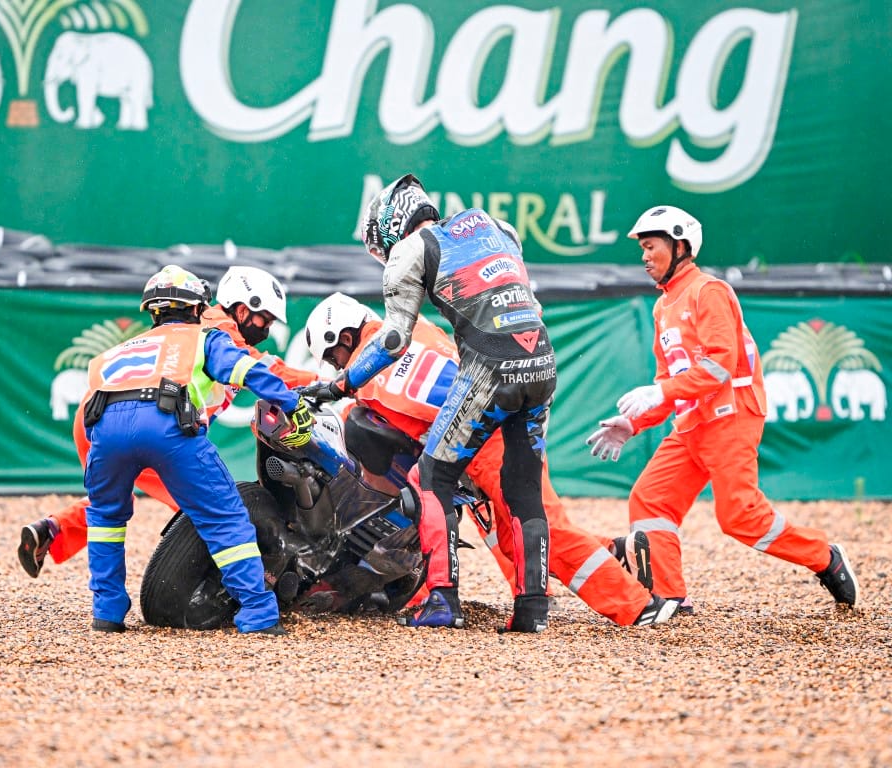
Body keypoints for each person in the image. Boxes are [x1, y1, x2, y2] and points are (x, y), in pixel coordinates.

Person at [305, 293, 678, 627]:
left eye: (333, 355)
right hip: (504, 420)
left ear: (346, 338)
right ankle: (615, 553)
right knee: (513, 536)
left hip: (481, 442)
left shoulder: (368, 382)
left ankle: (636, 606)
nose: (339, 366)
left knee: (542, 532)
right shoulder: (414, 326)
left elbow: (403, 429)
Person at [304, 174, 557, 632]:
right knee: (523, 489)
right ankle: (532, 610)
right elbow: (529, 305)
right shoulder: (497, 227)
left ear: (391, 224)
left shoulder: (411, 249)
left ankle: (443, 600)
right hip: (541, 361)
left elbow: (395, 339)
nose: (382, 253)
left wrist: (343, 384)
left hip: (489, 365)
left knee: (431, 476)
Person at [585, 205, 858, 612]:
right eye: (642, 248)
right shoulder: (663, 307)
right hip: (693, 423)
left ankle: (825, 556)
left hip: (732, 418)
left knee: (740, 518)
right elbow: (668, 383)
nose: (643, 256)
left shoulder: (708, 291)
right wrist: (633, 422)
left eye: (650, 246)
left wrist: (661, 394)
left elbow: (719, 365)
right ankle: (670, 595)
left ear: (680, 246)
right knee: (650, 499)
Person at [17, 266, 316, 578]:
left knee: (112, 499)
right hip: (147, 419)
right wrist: (332, 384)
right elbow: (267, 372)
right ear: (242, 309)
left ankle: (52, 530)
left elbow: (268, 364)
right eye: (264, 320)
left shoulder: (212, 326)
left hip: (100, 413)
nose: (266, 329)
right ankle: (236, 589)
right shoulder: (218, 332)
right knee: (210, 508)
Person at [79, 264, 313, 635]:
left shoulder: (116, 351)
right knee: (224, 517)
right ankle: (257, 613)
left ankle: (106, 613)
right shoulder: (203, 337)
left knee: (106, 519)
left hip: (105, 429)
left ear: (154, 311)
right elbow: (245, 371)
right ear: (195, 309)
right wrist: (289, 403)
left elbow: (90, 401)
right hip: (166, 424)